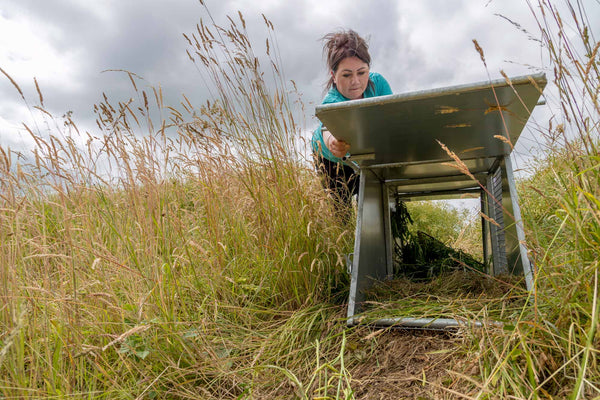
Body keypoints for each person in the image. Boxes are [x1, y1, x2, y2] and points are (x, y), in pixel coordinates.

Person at [312, 29, 392, 216]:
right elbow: (327, 131)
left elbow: (390, 118)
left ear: (368, 70)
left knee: (377, 200)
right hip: (332, 162)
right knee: (342, 211)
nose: (355, 82)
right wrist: (333, 143)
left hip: (366, 153)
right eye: (346, 75)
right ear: (334, 75)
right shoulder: (331, 102)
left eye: (361, 72)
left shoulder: (378, 84)